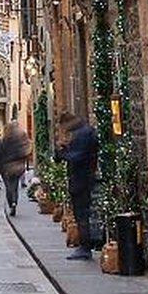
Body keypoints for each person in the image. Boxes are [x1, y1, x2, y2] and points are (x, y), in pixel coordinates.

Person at [56, 111, 100, 261]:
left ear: (67, 123)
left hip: (81, 179)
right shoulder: (85, 131)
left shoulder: (82, 134)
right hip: (83, 178)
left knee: (81, 214)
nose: (64, 130)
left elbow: (78, 156)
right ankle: (84, 246)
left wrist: (62, 152)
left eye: (63, 127)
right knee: (81, 213)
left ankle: (85, 248)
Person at [0, 122, 31, 216]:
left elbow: (0, 154)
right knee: (15, 186)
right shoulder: (18, 140)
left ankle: (10, 202)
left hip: (6, 167)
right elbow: (22, 153)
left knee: (8, 187)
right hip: (17, 167)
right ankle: (14, 202)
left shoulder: (4, 141)